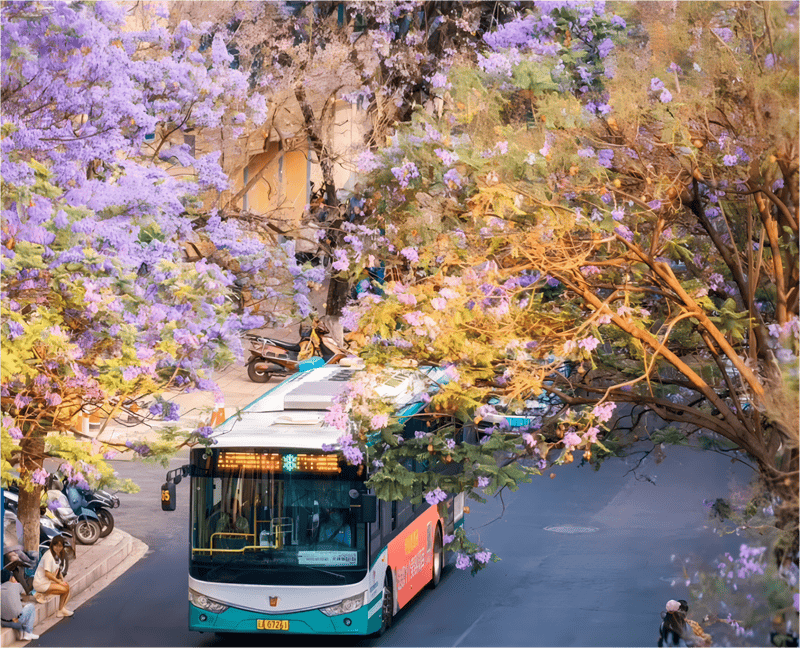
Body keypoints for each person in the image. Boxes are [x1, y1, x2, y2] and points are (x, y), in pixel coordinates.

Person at [32, 535, 73, 617]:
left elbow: (58, 570)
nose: (58, 548)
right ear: (52, 545)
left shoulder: (56, 555)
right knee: (64, 589)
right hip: (41, 583)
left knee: (67, 587)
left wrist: (62, 580)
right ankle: (43, 594)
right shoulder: (48, 556)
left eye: (60, 546)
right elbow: (47, 573)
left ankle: (61, 610)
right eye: (56, 545)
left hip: (47, 581)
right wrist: (59, 582)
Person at [0, 568, 39, 640]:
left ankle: (22, 632)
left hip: (3, 623)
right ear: (10, 577)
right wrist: (15, 582)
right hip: (16, 621)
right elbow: (25, 595)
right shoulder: (17, 586)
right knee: (31, 607)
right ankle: (28, 633)